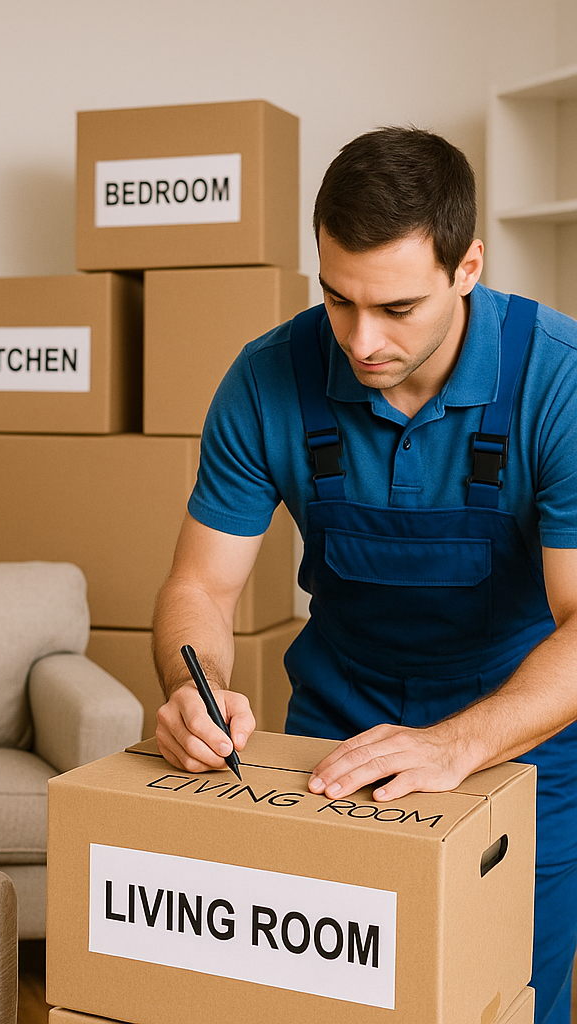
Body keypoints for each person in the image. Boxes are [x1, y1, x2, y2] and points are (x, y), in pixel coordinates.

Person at [153, 126, 577, 1024]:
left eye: (396, 308)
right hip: (335, 735)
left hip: (519, 744)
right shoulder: (269, 378)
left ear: (468, 269)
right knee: (321, 1001)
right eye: (337, 299)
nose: (361, 338)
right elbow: (201, 588)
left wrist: (456, 746)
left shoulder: (558, 381)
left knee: (497, 997)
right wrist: (197, 689)